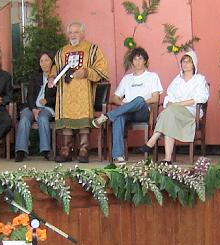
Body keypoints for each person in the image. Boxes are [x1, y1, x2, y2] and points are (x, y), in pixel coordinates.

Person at [92, 47, 162, 164]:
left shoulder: (152, 76)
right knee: (119, 117)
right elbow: (114, 98)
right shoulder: (127, 79)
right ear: (132, 62)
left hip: (143, 111)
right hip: (127, 111)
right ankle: (118, 156)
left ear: (145, 60)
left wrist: (138, 102)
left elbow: (155, 98)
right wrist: (124, 104)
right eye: (135, 59)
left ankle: (107, 116)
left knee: (139, 99)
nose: (137, 62)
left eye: (140, 59)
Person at [138, 51, 208, 164]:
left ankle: (152, 140)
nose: (185, 64)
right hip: (173, 112)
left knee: (169, 112)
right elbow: (169, 96)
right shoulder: (177, 80)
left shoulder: (199, 79)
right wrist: (171, 103)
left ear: (194, 63)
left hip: (190, 112)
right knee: (169, 115)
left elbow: (201, 98)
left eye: (188, 62)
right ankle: (167, 159)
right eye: (183, 61)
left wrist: (177, 104)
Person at [54, 22, 109, 163]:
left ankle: (84, 149)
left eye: (76, 32)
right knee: (66, 120)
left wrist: (86, 72)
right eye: (70, 32)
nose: (73, 35)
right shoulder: (61, 52)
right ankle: (66, 149)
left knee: (83, 119)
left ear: (83, 33)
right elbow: (55, 69)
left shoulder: (92, 49)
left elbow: (102, 68)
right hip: (65, 93)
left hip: (84, 92)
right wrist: (51, 77)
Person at [15, 52, 57, 162]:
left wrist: (47, 101)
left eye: (46, 60)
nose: (44, 63)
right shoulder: (35, 77)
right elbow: (30, 95)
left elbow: (59, 98)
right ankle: (20, 151)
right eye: (41, 61)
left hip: (47, 108)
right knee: (24, 119)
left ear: (52, 62)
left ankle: (46, 150)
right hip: (32, 107)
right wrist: (33, 109)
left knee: (43, 119)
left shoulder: (56, 78)